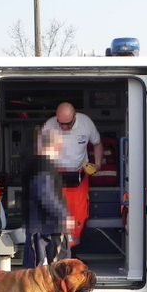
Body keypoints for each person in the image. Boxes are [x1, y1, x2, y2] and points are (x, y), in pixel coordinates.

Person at [21, 129, 87, 292]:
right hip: (48, 232)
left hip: (45, 231)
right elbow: (46, 196)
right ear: (55, 146)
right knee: (42, 280)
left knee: (45, 280)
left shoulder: (37, 165)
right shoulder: (44, 167)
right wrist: (64, 217)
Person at [42, 102, 103, 247]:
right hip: (56, 176)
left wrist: (98, 164)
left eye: (67, 124)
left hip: (79, 175)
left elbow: (97, 143)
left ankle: (72, 253)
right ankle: (60, 255)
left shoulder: (85, 123)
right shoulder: (50, 126)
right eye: (60, 123)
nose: (63, 127)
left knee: (79, 215)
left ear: (75, 117)